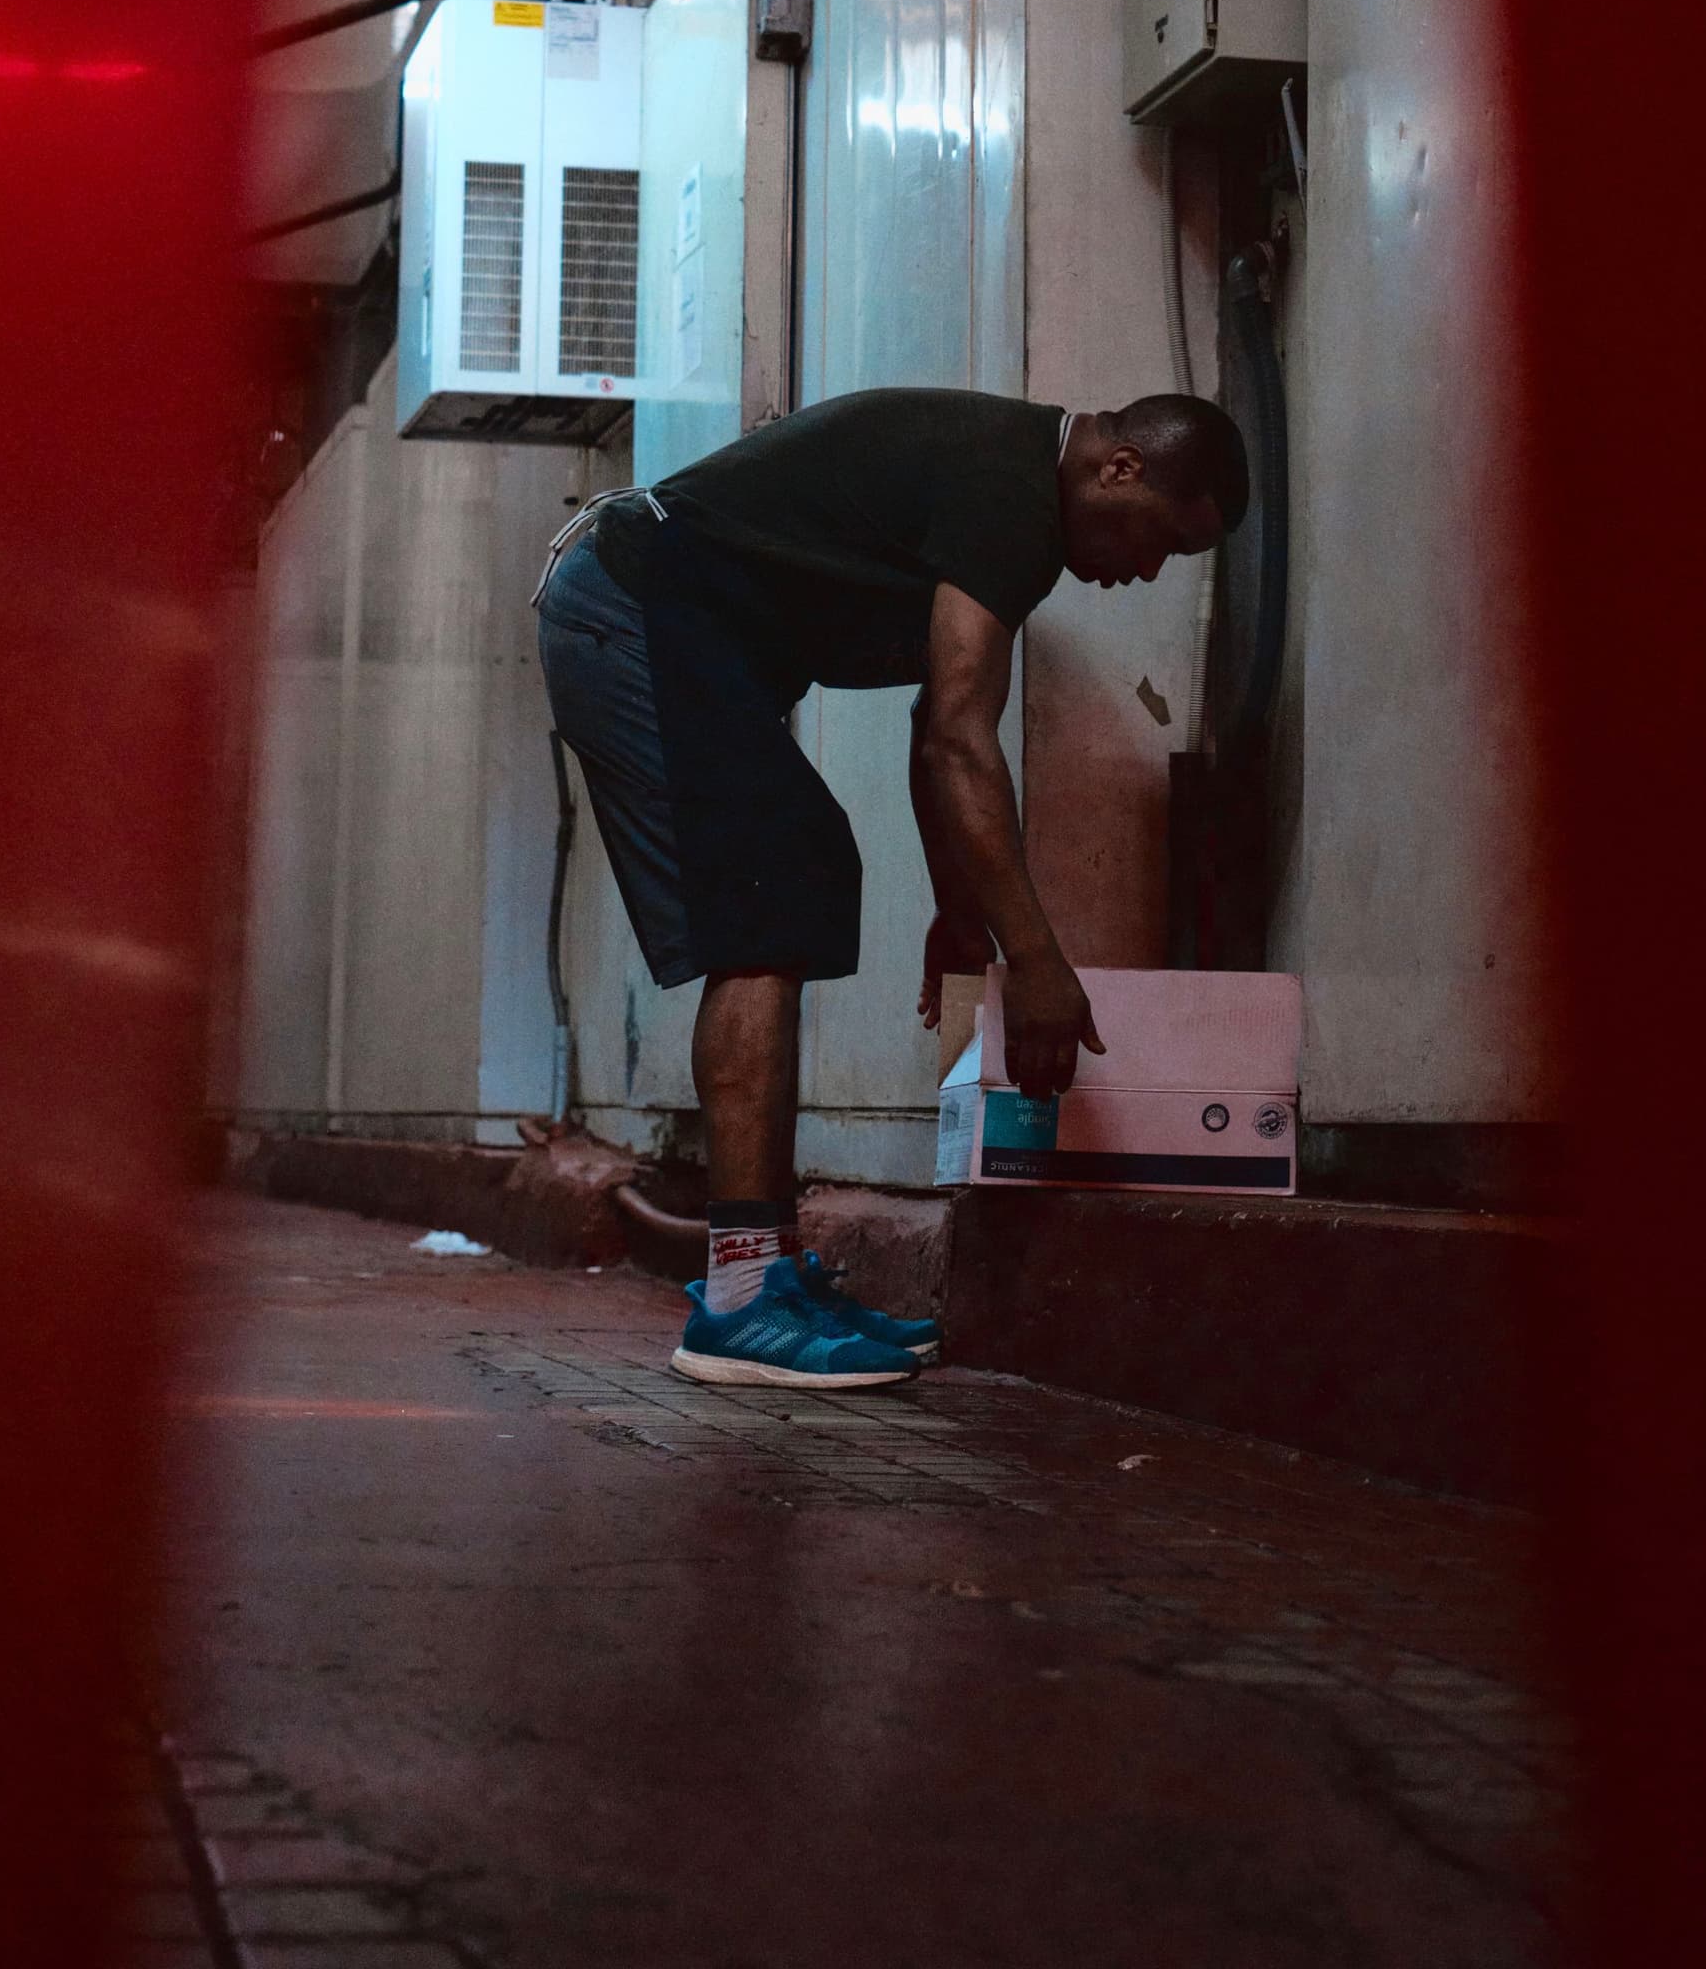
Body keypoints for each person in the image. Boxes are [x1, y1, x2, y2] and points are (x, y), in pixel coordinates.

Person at [535, 386, 1249, 1390]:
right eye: (1159, 542)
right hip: (630, 605)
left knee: (798, 868)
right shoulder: (1010, 492)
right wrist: (1033, 959)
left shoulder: (1015, 501)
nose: (1143, 570)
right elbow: (961, 735)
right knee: (771, 895)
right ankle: (740, 1303)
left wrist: (962, 917)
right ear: (1116, 468)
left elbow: (933, 731)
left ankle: (764, 1275)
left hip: (651, 619)